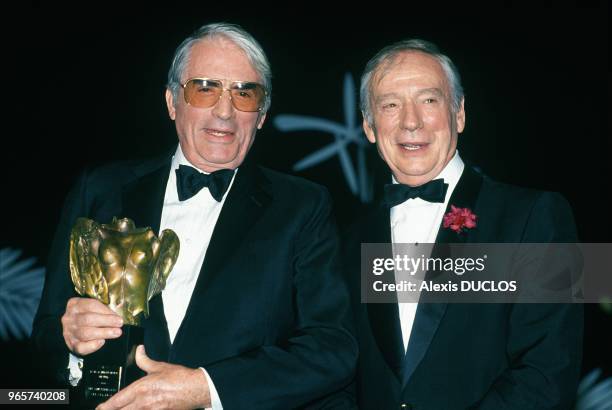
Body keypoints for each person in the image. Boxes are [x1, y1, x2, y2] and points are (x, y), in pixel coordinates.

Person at [32, 22, 357, 409]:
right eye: (205, 89)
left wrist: (208, 388)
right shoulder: (101, 190)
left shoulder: (303, 206)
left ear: (262, 114)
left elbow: (331, 348)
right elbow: (46, 333)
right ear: (172, 102)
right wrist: (69, 343)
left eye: (244, 93)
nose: (225, 111)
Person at [345, 39, 583, 409]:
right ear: (370, 126)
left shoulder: (535, 215)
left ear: (459, 114)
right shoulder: (348, 237)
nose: (411, 121)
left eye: (429, 100)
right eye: (390, 104)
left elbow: (548, 372)